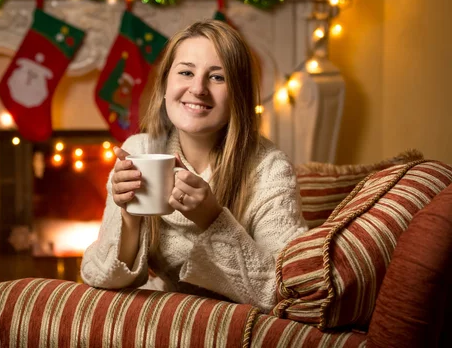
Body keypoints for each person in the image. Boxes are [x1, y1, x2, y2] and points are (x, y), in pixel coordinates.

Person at [80, 19, 308, 312]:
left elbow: (286, 292)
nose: (197, 88)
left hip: (236, 322)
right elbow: (103, 277)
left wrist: (213, 219)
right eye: (186, 72)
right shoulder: (138, 150)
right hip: (166, 314)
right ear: (164, 86)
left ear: (238, 96)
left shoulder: (269, 168)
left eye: (217, 77)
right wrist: (129, 215)